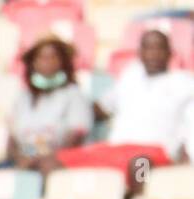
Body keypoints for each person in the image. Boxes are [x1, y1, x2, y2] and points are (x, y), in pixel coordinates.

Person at [59, 30, 194, 181]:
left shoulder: (185, 83)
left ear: (170, 53)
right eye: (148, 48)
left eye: (159, 48)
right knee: (56, 162)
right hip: (116, 150)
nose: (153, 54)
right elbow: (101, 108)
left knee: (140, 166)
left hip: (154, 152)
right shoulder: (130, 77)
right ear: (140, 53)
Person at [0, 35, 90, 176]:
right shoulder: (22, 97)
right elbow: (12, 142)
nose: (47, 62)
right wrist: (21, 158)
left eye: (53, 57)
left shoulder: (73, 95)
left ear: (63, 62)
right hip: (23, 160)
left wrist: (40, 158)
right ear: (33, 63)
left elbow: (75, 138)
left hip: (54, 162)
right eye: (41, 57)